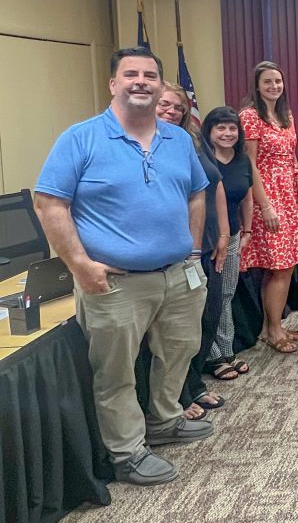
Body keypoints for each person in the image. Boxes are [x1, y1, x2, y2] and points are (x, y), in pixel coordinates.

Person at [34, 47, 211, 486]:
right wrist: (79, 265)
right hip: (114, 283)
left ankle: (165, 420)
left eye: (150, 75)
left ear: (159, 84)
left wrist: (190, 250)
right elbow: (49, 202)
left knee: (179, 352)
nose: (140, 81)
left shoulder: (178, 140)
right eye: (130, 74)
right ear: (113, 83)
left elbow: (196, 193)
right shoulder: (81, 138)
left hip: (178, 276)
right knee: (116, 372)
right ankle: (126, 452)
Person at [156, 85, 229, 420]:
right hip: (178, 251)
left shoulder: (191, 142)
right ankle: (181, 395)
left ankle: (194, 381)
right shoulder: (149, 147)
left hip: (208, 244)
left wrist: (224, 234)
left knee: (207, 318)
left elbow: (212, 186)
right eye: (164, 105)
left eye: (178, 108)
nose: (172, 112)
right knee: (180, 329)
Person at [240, 61, 298, 354]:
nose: (274, 86)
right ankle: (274, 330)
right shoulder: (249, 117)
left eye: (278, 81)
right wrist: (266, 206)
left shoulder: (285, 115)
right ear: (257, 86)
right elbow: (249, 163)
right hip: (269, 196)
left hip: (291, 193)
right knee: (281, 267)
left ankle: (269, 326)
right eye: (267, 82)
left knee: (279, 268)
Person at [202, 106, 254, 379]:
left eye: (232, 128)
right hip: (205, 242)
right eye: (220, 127)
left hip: (233, 237)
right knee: (208, 299)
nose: (227, 133)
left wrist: (247, 232)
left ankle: (226, 349)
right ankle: (212, 357)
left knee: (226, 295)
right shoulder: (202, 160)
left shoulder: (242, 160)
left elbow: (247, 197)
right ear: (209, 131)